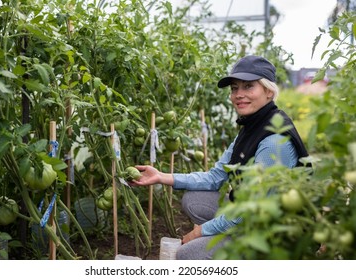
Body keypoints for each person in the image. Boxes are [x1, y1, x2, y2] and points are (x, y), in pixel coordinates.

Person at [131, 55, 310, 260]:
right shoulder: (253, 125)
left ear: (269, 91)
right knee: (193, 200)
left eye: (248, 86)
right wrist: (162, 177)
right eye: (235, 88)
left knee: (187, 255)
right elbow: (216, 177)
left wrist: (200, 231)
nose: (238, 95)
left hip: (274, 232)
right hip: (252, 217)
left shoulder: (274, 141)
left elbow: (249, 210)